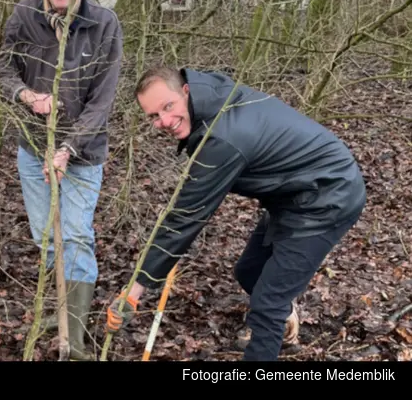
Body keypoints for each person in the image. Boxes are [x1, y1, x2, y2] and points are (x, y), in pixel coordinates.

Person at [105, 65, 366, 361]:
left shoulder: (222, 139)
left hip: (327, 198)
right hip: (291, 193)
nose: (164, 121)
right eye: (154, 116)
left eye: (168, 107)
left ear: (186, 92)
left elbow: (184, 219)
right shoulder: (212, 99)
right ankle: (284, 311)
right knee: (249, 272)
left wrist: (134, 291)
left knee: (267, 304)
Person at [0, 0, 124, 360]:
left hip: (84, 155)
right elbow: (2, 65)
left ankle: (78, 335)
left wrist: (68, 147)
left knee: (76, 235)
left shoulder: (103, 24)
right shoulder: (23, 15)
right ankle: (62, 311)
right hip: (32, 148)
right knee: (46, 236)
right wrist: (25, 95)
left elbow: (102, 102)